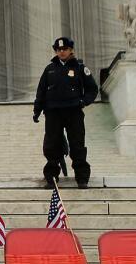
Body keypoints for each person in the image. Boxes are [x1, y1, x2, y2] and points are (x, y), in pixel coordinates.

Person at [33, 37, 98, 189]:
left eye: (65, 49)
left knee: (77, 144)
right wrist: (37, 110)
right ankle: (52, 178)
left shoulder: (80, 68)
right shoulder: (50, 69)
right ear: (56, 51)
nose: (62, 52)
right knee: (51, 144)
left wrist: (83, 102)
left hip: (73, 111)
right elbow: (41, 91)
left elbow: (92, 89)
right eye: (59, 50)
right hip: (53, 112)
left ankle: (82, 178)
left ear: (71, 50)